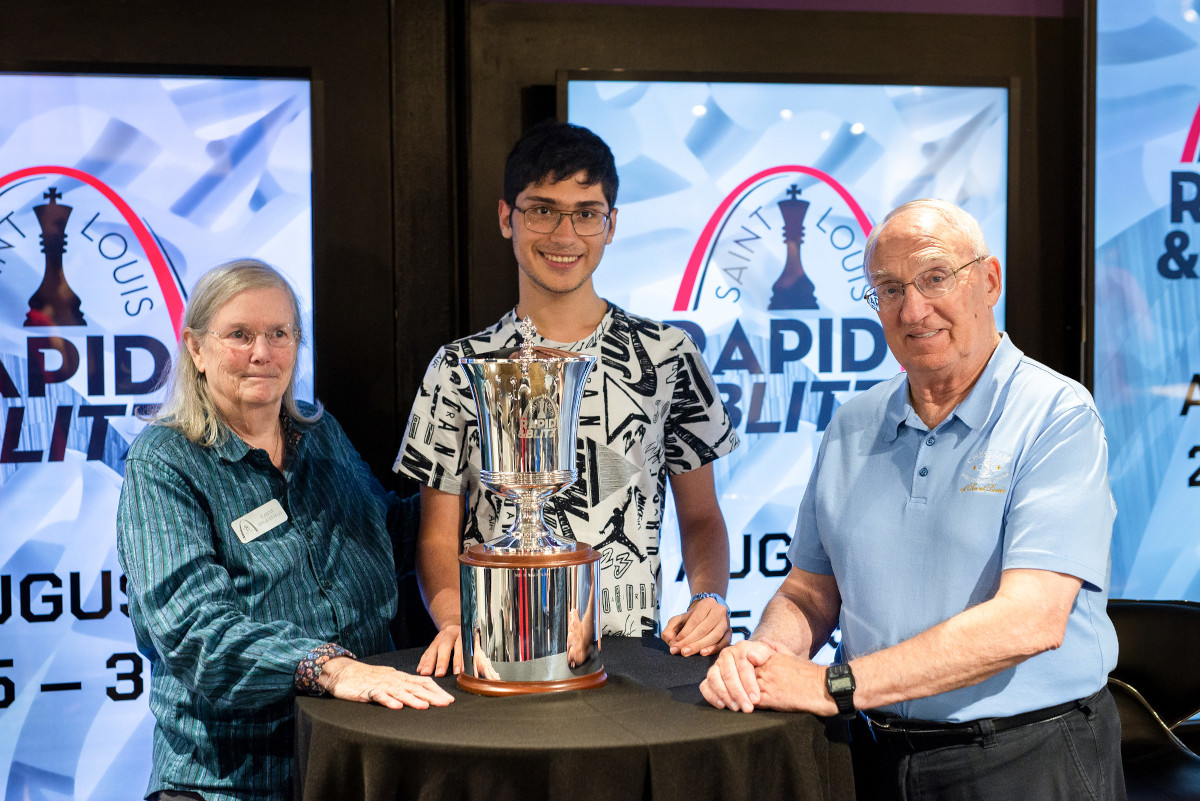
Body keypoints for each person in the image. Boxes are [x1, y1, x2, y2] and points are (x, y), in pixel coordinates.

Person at [700, 199, 1125, 800]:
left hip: (1024, 759)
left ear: (989, 281)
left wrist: (832, 687)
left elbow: (1028, 621)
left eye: (935, 278)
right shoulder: (853, 423)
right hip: (869, 758)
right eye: (890, 288)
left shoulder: (1057, 416)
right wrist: (765, 661)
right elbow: (809, 591)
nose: (914, 308)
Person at [395, 121, 739, 676]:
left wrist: (709, 599)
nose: (564, 234)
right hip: (496, 658)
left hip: (631, 658)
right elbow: (436, 534)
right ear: (507, 217)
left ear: (611, 225)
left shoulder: (669, 354)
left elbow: (701, 516)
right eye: (542, 209)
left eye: (585, 212)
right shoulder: (457, 367)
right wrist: (455, 620)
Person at [117, 259, 453, 801]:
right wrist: (330, 668)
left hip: (353, 762)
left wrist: (465, 496)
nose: (262, 352)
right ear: (196, 350)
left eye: (279, 334)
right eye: (239, 335)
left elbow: (385, 534)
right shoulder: (165, 462)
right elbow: (196, 635)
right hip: (232, 783)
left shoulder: (316, 434)